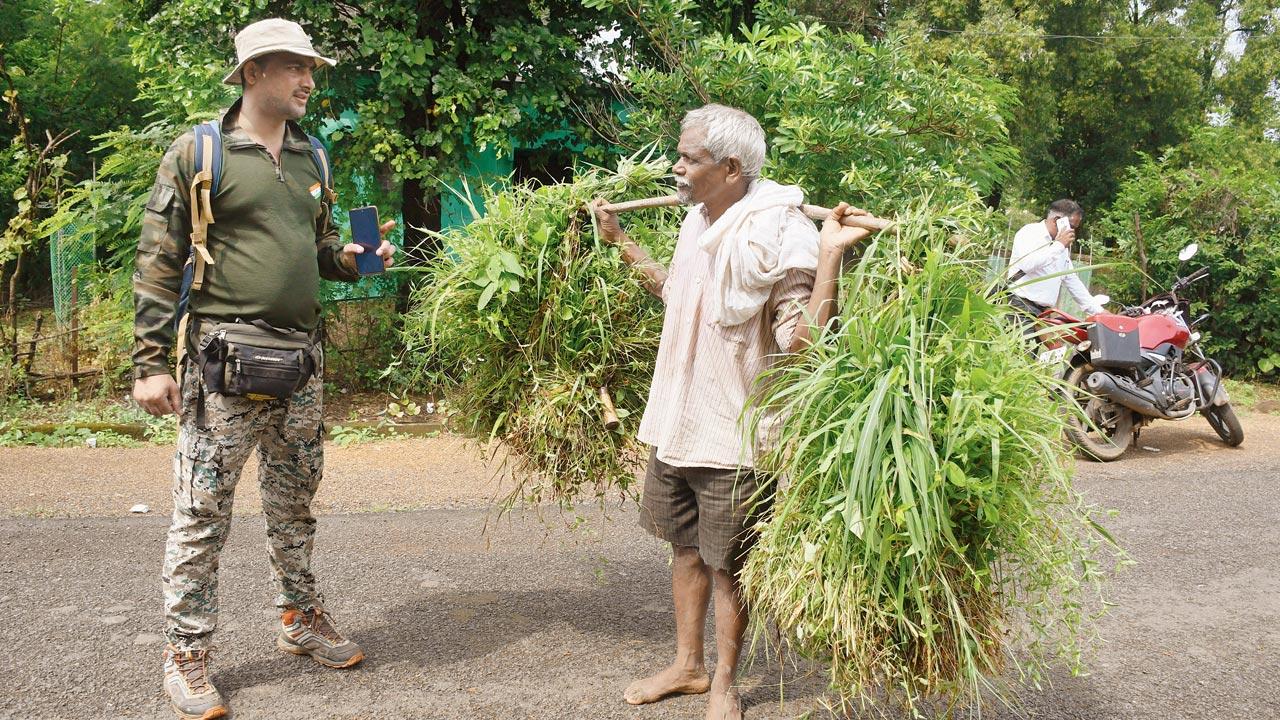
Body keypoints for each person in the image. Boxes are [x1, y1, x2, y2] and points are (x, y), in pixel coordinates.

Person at [131, 18, 395, 720]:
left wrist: (353, 260)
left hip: (301, 366)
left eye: (312, 68)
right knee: (201, 514)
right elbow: (159, 263)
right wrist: (150, 362)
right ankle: (185, 655)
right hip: (223, 366)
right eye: (295, 68)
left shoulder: (314, 157)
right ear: (253, 73)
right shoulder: (201, 152)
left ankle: (299, 620)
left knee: (294, 505)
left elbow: (319, 250)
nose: (310, 80)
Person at [591, 103, 878, 720]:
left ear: (730, 167)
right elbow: (678, 295)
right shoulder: (697, 221)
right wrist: (622, 243)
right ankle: (687, 666)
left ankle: (724, 681)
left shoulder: (780, 231)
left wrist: (830, 258)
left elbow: (802, 346)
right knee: (686, 549)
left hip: (739, 432)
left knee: (729, 566)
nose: (676, 167)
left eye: (688, 158)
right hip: (680, 418)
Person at [1007, 199, 1104, 332]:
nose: (1073, 232)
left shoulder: (1061, 248)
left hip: (1043, 314)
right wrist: (1058, 245)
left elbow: (1072, 281)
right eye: (1071, 226)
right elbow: (1027, 264)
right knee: (1022, 351)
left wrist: (1099, 312)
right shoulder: (1030, 233)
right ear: (1057, 220)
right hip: (1020, 307)